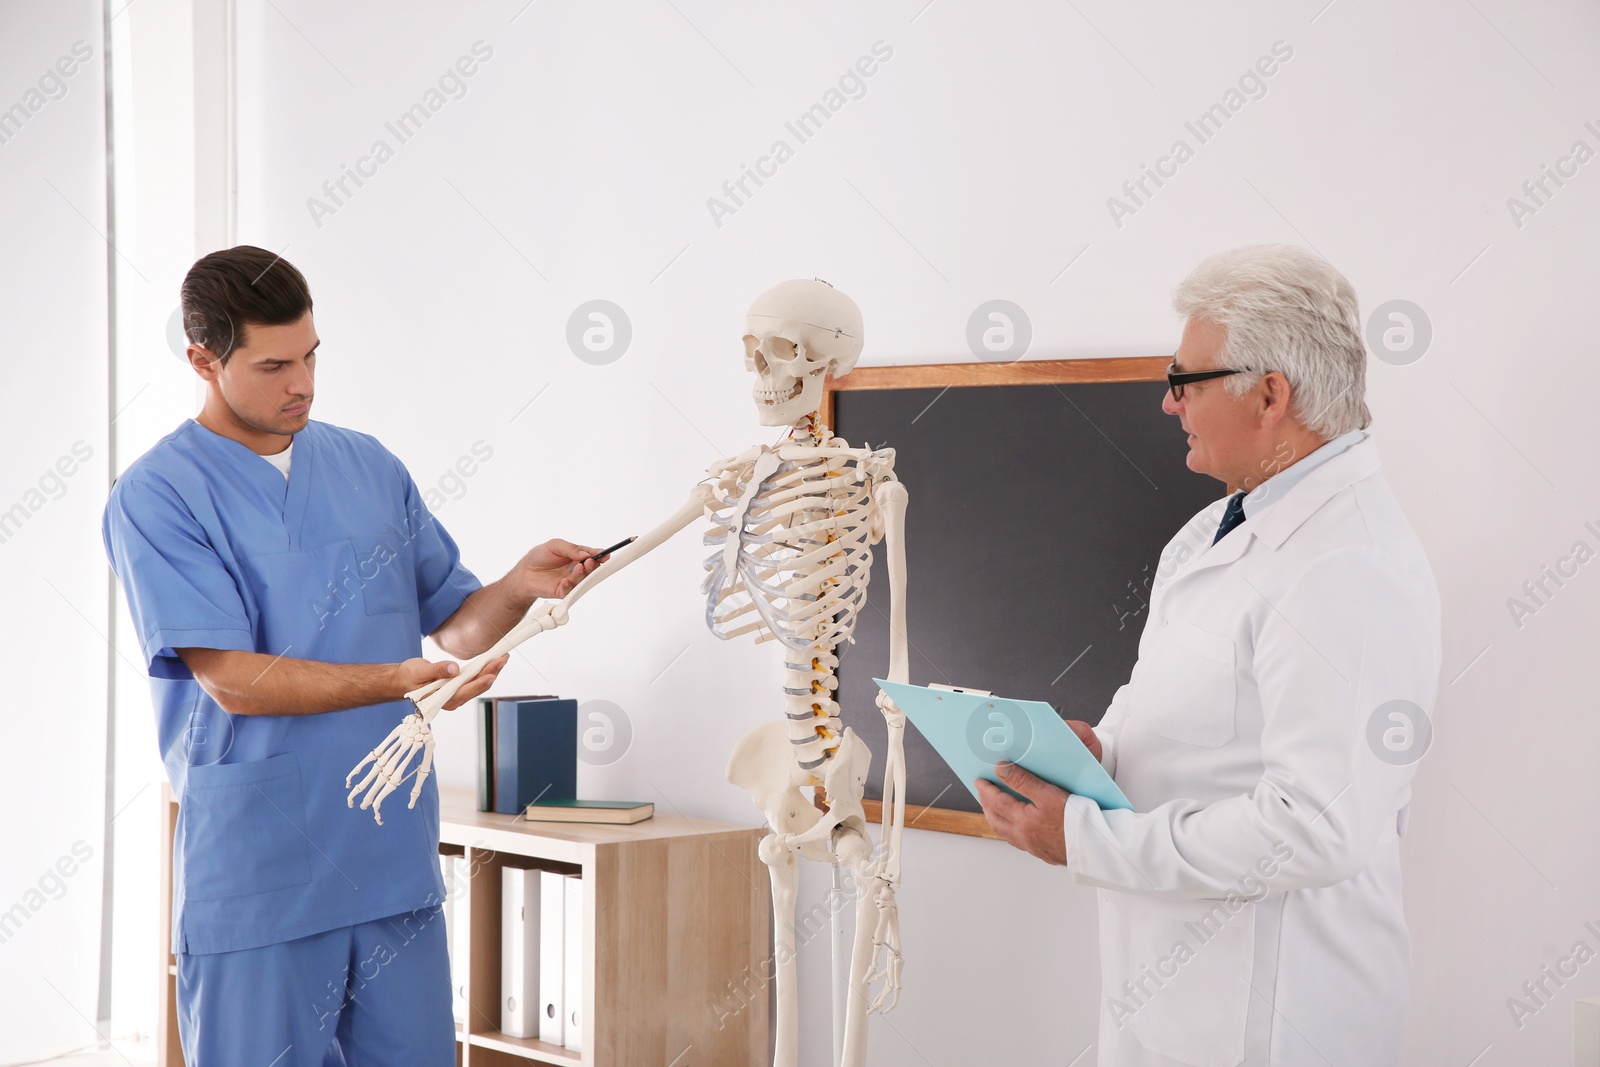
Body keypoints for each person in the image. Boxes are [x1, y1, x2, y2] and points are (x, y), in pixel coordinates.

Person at [103, 246, 606, 1065]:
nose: (300, 383)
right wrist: (397, 680)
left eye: (310, 356)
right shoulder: (158, 495)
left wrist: (520, 587)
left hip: (386, 856)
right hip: (261, 872)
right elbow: (232, 680)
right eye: (273, 365)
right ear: (203, 359)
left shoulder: (368, 467)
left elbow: (457, 627)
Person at [976, 245, 1441, 1066]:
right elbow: (1178, 709)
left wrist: (1086, 840)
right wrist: (1100, 752)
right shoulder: (1213, 531)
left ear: (1270, 393)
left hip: (1273, 1023)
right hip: (1172, 1005)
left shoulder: (1349, 565)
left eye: (1183, 380)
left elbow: (1316, 826)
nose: (1166, 402)